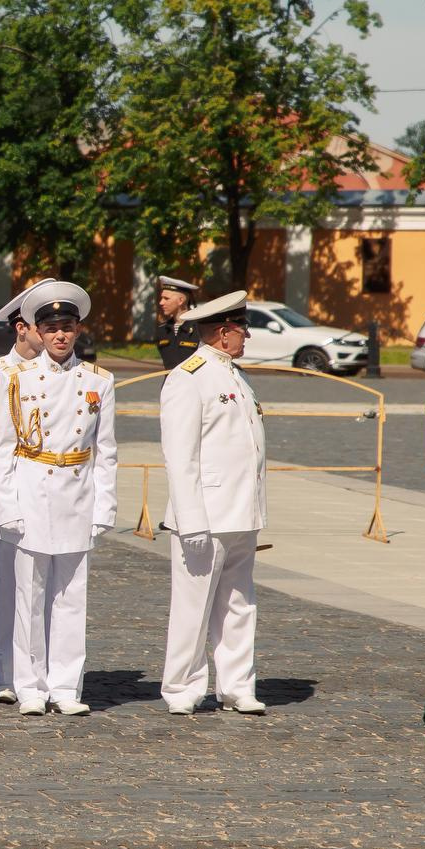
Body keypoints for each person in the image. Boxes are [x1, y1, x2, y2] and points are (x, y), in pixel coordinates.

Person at [0, 279, 117, 716]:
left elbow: (107, 450)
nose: (60, 335)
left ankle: (66, 687)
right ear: (37, 333)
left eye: (67, 326)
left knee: (71, 597)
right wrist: (5, 506)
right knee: (28, 596)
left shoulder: (99, 380)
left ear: (78, 330)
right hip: (32, 491)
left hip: (77, 493)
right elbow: (3, 450)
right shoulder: (16, 379)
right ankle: (29, 686)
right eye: (51, 327)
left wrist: (105, 506)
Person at [159, 291, 267, 716]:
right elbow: (179, 456)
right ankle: (182, 686)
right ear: (224, 333)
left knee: (240, 603)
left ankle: (237, 684)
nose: (246, 338)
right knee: (193, 607)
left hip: (242, 511)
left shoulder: (235, 375)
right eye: (242, 329)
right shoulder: (189, 377)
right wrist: (191, 520)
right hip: (205, 513)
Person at [0, 286, 41, 704]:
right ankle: (5, 670)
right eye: (43, 323)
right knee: (6, 587)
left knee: (43, 587)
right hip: (2, 494)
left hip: (49, 492)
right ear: (21, 328)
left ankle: (40, 669)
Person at [154, 276, 201, 370]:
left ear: (180, 301)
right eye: (161, 298)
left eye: (166, 298)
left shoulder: (200, 328)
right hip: (171, 384)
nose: (161, 302)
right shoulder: (162, 330)